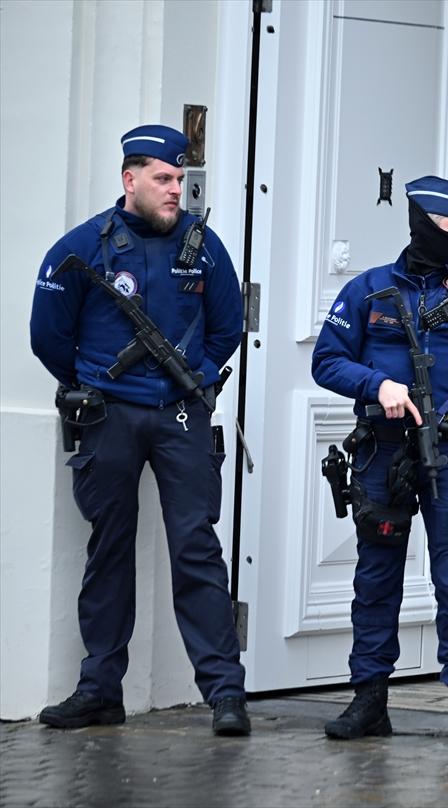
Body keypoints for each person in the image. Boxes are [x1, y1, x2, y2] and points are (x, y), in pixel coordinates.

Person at [29, 125, 250, 735]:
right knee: (110, 548)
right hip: (110, 417)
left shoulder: (205, 248)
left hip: (182, 415)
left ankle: (225, 694)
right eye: (164, 178)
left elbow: (227, 326)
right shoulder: (84, 246)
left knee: (197, 549)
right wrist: (95, 382)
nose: (176, 190)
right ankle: (100, 689)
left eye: (180, 179)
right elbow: (48, 334)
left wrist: (195, 378)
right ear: (130, 180)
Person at [311, 175, 448, 748]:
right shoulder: (368, 292)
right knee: (376, 578)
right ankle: (369, 700)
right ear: (423, 227)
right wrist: (376, 383)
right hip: (383, 451)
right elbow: (326, 362)